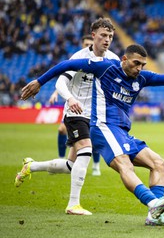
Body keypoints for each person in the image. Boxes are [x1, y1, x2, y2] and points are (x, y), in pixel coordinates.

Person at [20, 43, 164, 226]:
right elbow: (65, 65)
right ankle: (154, 203)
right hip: (102, 127)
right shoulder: (104, 68)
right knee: (124, 164)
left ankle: (154, 215)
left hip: (122, 131)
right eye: (136, 63)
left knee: (158, 163)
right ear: (124, 59)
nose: (139, 68)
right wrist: (39, 81)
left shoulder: (142, 78)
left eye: (143, 65)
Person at [15, 18, 120, 216]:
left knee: (72, 165)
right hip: (75, 113)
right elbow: (60, 83)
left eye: (111, 36)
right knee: (86, 150)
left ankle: (31, 166)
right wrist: (71, 99)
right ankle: (73, 204)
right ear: (93, 35)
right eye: (103, 35)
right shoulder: (79, 57)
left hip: (95, 116)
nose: (107, 40)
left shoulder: (113, 59)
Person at [47, 34, 103, 174]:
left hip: (93, 107)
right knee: (62, 130)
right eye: (86, 44)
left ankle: (95, 165)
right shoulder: (77, 58)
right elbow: (65, 79)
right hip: (74, 106)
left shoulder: (103, 60)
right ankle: (60, 159)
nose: (88, 46)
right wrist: (56, 93)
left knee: (92, 137)